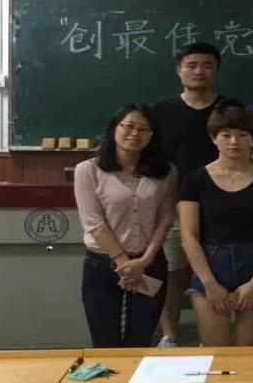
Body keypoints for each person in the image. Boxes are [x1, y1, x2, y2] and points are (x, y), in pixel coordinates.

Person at [153, 41, 242, 347]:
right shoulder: (161, 112)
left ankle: (215, 336)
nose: (199, 71)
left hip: (223, 205)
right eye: (191, 65)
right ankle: (169, 335)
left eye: (206, 65)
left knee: (221, 270)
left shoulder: (231, 109)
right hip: (174, 205)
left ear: (216, 71)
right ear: (179, 71)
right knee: (173, 272)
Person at [74, 104, 176, 348]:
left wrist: (144, 261)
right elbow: (93, 222)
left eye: (144, 129)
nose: (135, 133)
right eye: (129, 126)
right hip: (103, 265)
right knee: (105, 343)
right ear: (114, 129)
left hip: (150, 264)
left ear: (152, 135)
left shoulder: (166, 171)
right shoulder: (88, 170)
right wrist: (123, 263)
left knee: (140, 341)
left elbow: (165, 218)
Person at [178, 105, 253, 347]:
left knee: (248, 352)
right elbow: (189, 236)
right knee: (216, 352)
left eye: (242, 135)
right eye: (226, 135)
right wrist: (210, 284)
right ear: (214, 138)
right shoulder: (194, 180)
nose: (234, 142)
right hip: (210, 265)